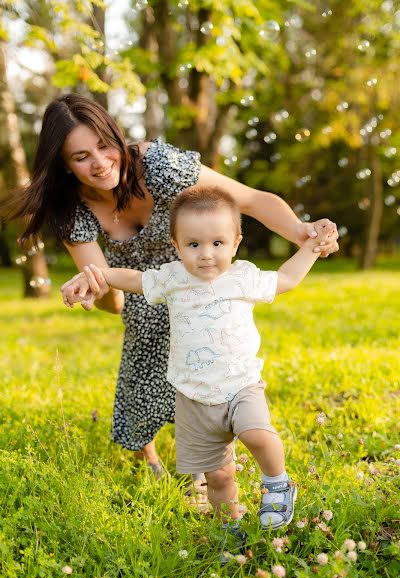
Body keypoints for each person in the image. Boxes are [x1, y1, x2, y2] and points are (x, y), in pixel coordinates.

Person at [7, 93, 338, 488]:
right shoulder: (71, 210)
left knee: (205, 376)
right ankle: (146, 452)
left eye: (103, 145)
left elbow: (249, 200)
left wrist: (305, 233)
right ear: (63, 163)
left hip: (199, 277)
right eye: (80, 157)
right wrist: (94, 291)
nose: (99, 162)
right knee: (143, 378)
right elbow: (113, 297)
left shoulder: (157, 165)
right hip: (141, 292)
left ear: (116, 136)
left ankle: (204, 466)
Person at [61, 185, 333, 542]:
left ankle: (277, 485)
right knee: (218, 477)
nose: (206, 255)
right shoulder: (172, 278)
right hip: (193, 396)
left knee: (256, 435)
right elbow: (134, 279)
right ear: (176, 246)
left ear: (235, 243)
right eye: (194, 245)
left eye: (217, 244)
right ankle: (228, 530)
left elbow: (287, 278)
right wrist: (96, 275)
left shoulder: (242, 276)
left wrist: (313, 245)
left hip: (241, 385)